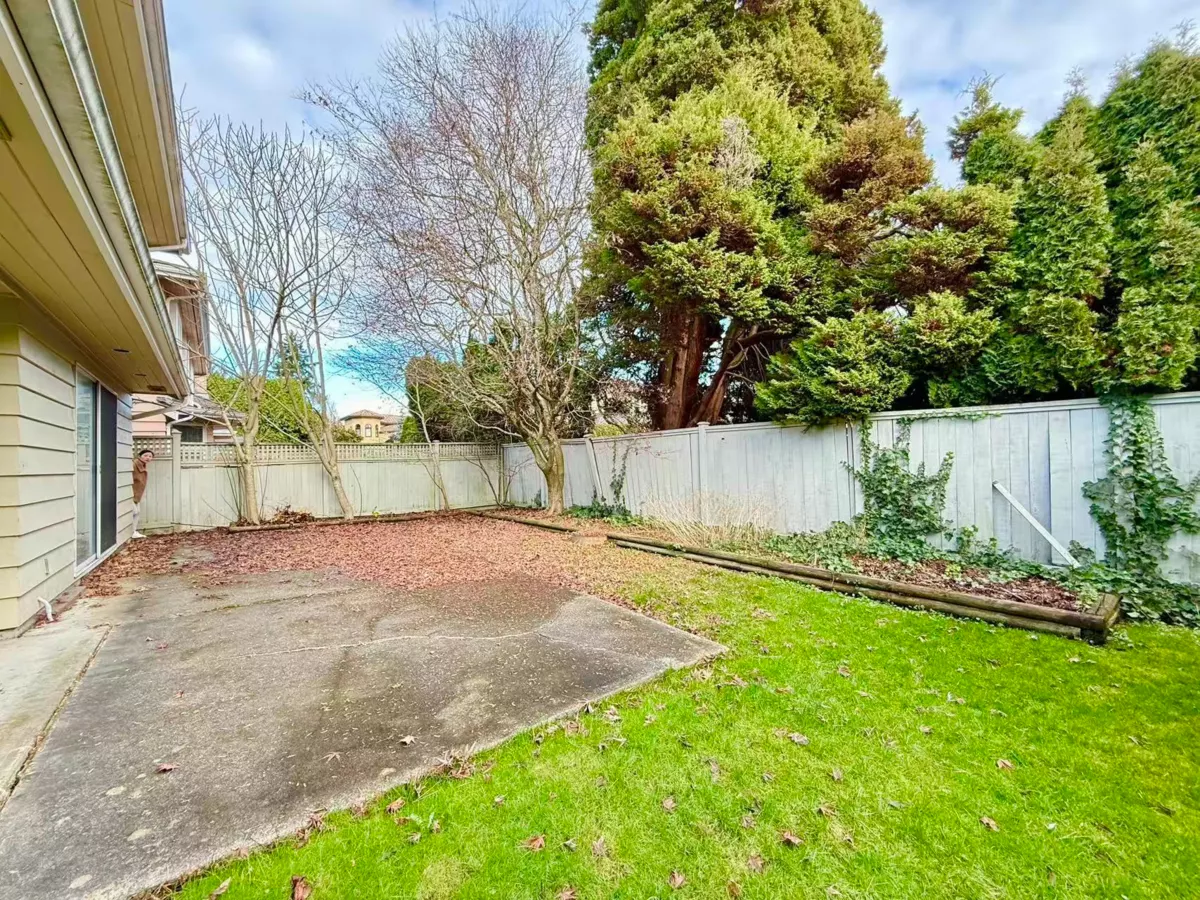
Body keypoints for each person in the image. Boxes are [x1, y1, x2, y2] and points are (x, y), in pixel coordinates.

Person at [132, 448, 153, 538]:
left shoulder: (142, 465)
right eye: (145, 455)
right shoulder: (134, 464)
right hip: (130, 493)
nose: (148, 458)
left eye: (150, 456)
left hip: (137, 494)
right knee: (134, 511)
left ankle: (133, 532)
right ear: (140, 456)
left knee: (137, 512)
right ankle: (131, 532)